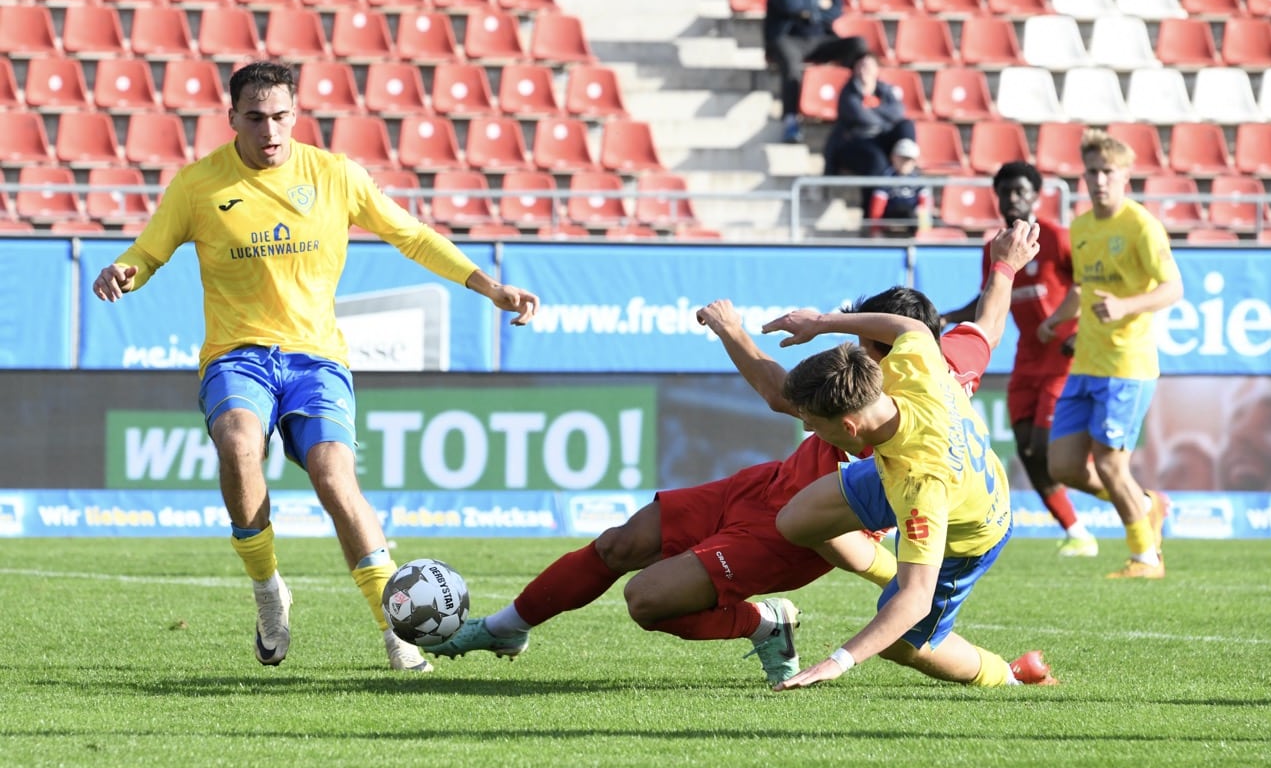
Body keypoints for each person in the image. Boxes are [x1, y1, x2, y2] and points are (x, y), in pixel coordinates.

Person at [422, 224, 1043, 686]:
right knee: (620, 542)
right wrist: (1005, 267)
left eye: (863, 333)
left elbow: (784, 400)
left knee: (647, 599)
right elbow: (987, 326)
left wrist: (733, 330)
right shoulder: (934, 361)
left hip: (784, 538)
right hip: (768, 484)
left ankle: (766, 623)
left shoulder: (894, 447)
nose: (857, 342)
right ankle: (506, 628)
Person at [92, 61, 540, 671]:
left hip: (317, 358)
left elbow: (411, 234)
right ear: (232, 119)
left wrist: (489, 286)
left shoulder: (335, 174)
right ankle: (268, 591)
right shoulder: (197, 185)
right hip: (237, 354)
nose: (269, 130)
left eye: (280, 116)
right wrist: (126, 270)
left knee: (334, 475)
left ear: (296, 115)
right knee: (238, 443)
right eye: (255, 118)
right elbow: (149, 251)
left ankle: (395, 628)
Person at [761, 286, 1056, 691]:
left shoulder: (921, 488)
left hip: (966, 533)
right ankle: (896, 573)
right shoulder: (914, 367)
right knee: (796, 521)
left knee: (900, 644)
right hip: (904, 469)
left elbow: (916, 599)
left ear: (849, 427)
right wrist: (821, 322)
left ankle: (1010, 675)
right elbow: (910, 326)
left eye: (813, 423)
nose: (809, 429)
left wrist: (836, 662)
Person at [1036, 129, 1182, 579]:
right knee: (1063, 466)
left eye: (1108, 172)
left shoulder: (1141, 226)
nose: (1099, 180)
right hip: (1086, 364)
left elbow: (1173, 288)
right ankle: (1145, 503)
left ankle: (1146, 558)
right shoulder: (1081, 227)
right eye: (1093, 172)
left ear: (1125, 177)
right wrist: (1056, 320)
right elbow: (1082, 289)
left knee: (1109, 463)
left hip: (1127, 365)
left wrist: (1125, 306)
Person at [940, 161, 1095, 557]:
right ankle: (1077, 531)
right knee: (1026, 449)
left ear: (1036, 197)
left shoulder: (1057, 238)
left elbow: (1089, 287)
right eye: (1005, 192)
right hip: (1026, 359)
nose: (1012, 198)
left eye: (1020, 191)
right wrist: (947, 316)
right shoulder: (994, 249)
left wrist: (1077, 331)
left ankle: (1136, 502)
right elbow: (989, 297)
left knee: (1045, 448)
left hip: (1063, 357)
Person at [764, 0, 846, 144]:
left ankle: (851, 110)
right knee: (792, 66)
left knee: (857, 46)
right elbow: (786, 3)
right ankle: (791, 119)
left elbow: (836, 8)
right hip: (787, 37)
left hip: (820, 38)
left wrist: (807, 9)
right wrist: (817, 3)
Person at [823, 36, 915, 183]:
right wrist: (885, 118)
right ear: (855, 69)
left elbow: (898, 112)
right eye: (862, 65)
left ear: (877, 69)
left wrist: (874, 109)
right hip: (857, 141)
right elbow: (862, 117)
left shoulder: (885, 90)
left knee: (906, 125)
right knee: (877, 161)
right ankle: (876, 196)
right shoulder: (849, 93)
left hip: (882, 137)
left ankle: (906, 160)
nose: (865, 70)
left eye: (869, 65)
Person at [863, 138, 933, 237]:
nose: (905, 163)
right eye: (902, 159)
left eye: (909, 160)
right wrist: (876, 229)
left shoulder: (918, 179)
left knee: (918, 214)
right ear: (894, 158)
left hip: (912, 217)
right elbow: (877, 205)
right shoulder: (887, 178)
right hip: (891, 215)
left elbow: (924, 204)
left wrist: (924, 230)